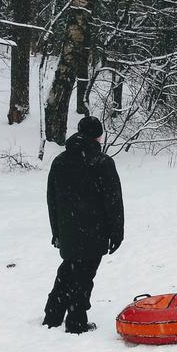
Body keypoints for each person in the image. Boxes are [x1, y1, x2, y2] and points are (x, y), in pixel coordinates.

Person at [45, 115, 124, 334]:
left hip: (68, 229)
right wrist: (117, 233)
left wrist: (57, 231)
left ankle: (53, 314)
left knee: (69, 270)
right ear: (98, 136)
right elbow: (113, 201)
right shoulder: (102, 163)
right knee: (83, 276)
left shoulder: (60, 161)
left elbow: (52, 200)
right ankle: (76, 321)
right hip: (94, 231)